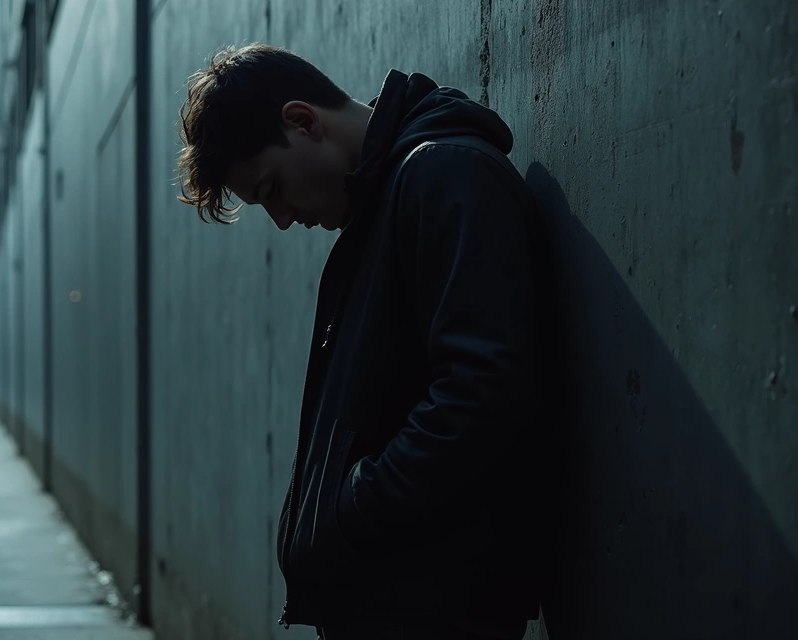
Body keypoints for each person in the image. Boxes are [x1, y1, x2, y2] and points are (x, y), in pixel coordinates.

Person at [176, 44, 557, 639]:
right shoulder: (384, 204)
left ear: (303, 121)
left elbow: (484, 388)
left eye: (271, 188)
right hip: (401, 600)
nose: (280, 218)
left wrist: (353, 507)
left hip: (434, 606)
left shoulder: (444, 175)